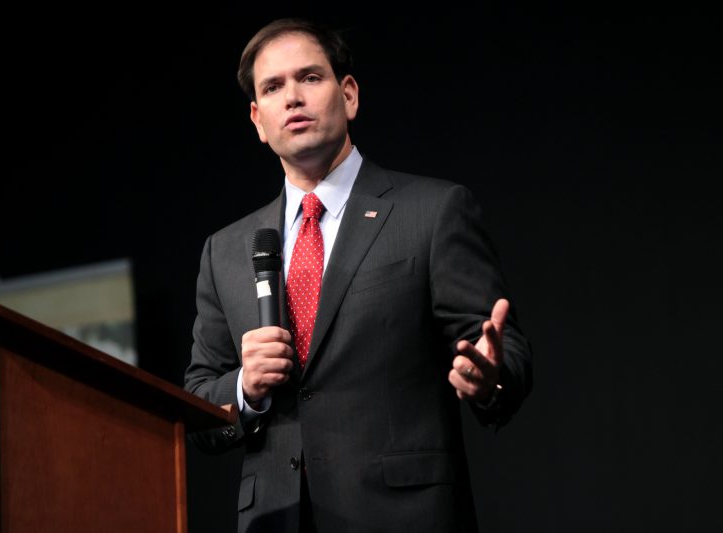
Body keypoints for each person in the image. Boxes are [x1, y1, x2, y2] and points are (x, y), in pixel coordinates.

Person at [184, 18, 532, 533]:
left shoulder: (431, 212)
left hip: (404, 516)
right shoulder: (226, 251)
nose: (292, 98)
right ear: (258, 120)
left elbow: (505, 354)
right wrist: (245, 390)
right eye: (273, 88)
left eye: (309, 78)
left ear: (348, 94)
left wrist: (488, 378)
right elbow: (198, 405)